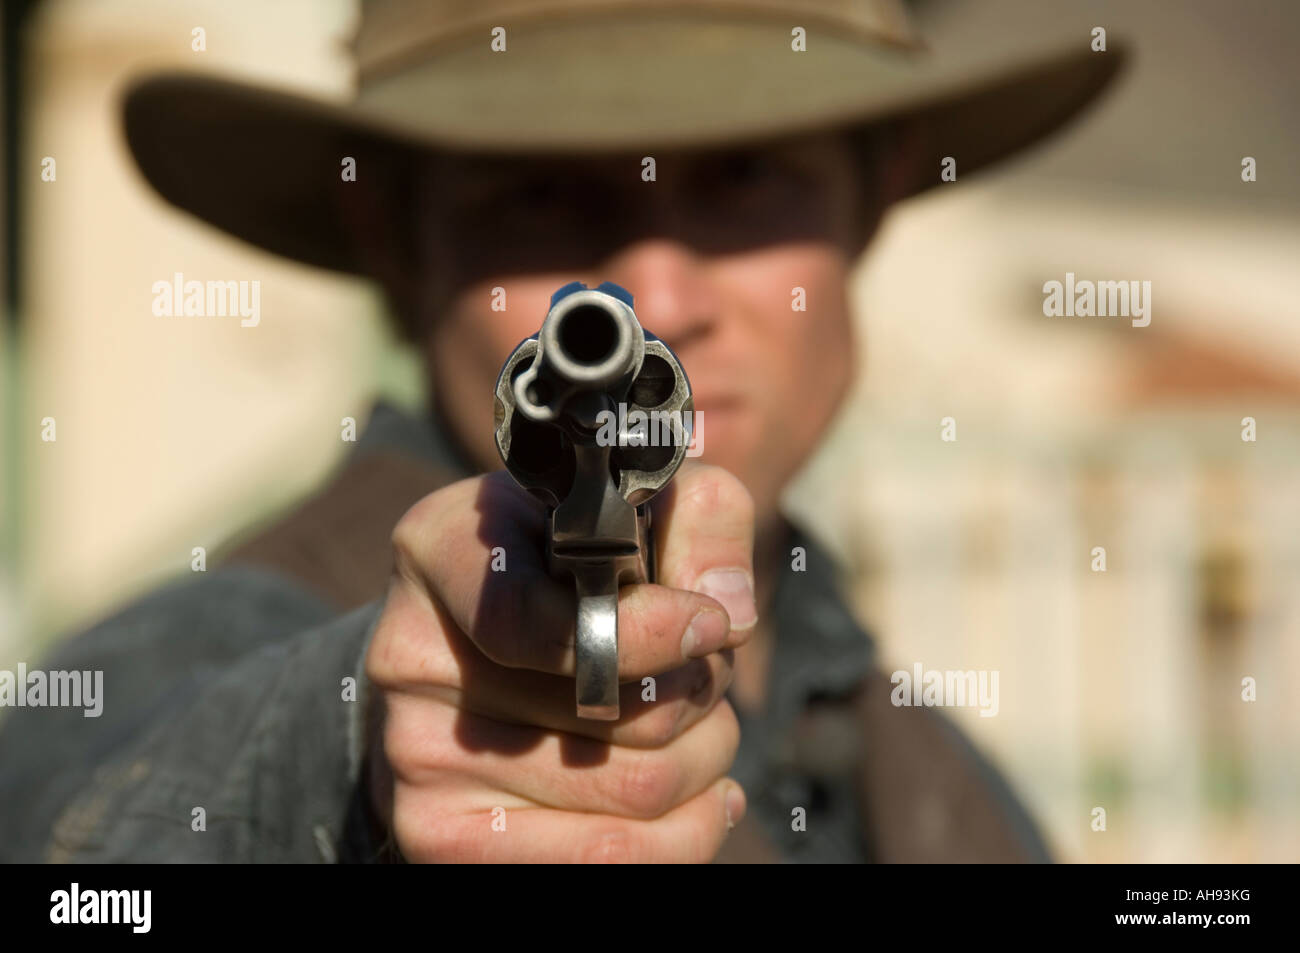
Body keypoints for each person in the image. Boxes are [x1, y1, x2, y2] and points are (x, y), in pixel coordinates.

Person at [0, 0, 1126, 862]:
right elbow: (62, 815)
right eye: (540, 198)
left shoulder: (894, 731)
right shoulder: (230, 636)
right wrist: (346, 746)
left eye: (744, 177)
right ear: (391, 235)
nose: (656, 293)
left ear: (868, 200)